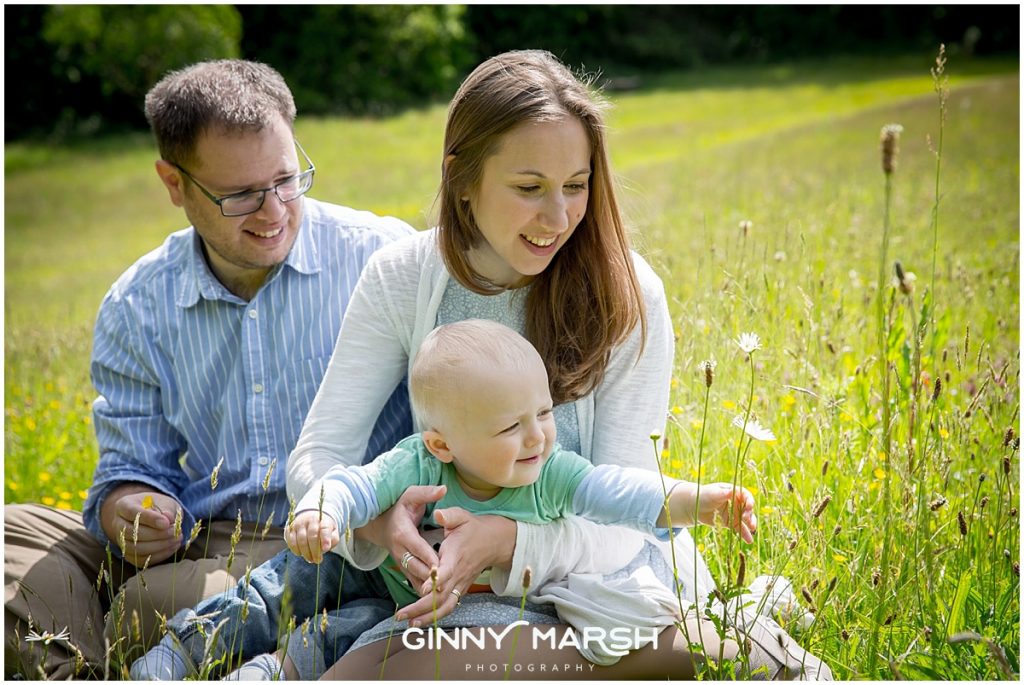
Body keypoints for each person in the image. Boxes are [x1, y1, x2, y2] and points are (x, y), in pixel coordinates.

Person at [284, 49, 833, 679]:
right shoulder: (402, 278)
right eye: (529, 188)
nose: (559, 217)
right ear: (462, 179)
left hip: (596, 591)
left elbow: (623, 519)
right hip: (462, 600)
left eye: (576, 186)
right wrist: (377, 524)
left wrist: (510, 542)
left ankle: (726, 639)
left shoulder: (629, 293)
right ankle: (717, 636)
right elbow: (318, 457)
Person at [2, 58, 416, 679]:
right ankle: (88, 671)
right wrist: (131, 510)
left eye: (286, 179)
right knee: (13, 533)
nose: (273, 211)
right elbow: (131, 468)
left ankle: (131, 651)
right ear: (174, 184)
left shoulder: (382, 260)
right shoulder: (137, 303)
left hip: (331, 544)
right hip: (197, 538)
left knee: (148, 606)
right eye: (241, 195)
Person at [130, 320, 759, 679]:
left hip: (418, 615)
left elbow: (620, 492)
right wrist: (322, 509)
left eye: (543, 412)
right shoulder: (417, 461)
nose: (538, 435)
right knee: (280, 589)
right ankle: (182, 651)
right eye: (512, 426)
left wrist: (698, 501)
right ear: (443, 442)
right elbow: (356, 482)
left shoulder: (553, 472)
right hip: (370, 566)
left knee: (325, 642)